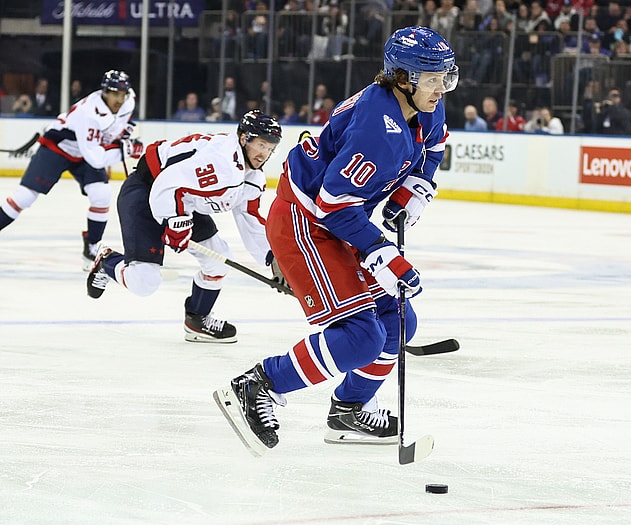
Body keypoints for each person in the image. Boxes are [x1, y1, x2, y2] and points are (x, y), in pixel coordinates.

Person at [218, 26, 458, 450]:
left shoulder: (424, 104)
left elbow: (436, 144)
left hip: (341, 219)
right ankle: (259, 384)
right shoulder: (376, 129)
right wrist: (382, 253)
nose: (441, 88)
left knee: (399, 322)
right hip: (305, 221)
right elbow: (332, 204)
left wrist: (417, 185)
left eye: (445, 77)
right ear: (402, 77)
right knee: (362, 337)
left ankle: (347, 412)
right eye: (433, 78)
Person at [86, 110, 283, 343]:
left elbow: (250, 219)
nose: (264, 154)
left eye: (270, 148)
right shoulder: (221, 161)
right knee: (144, 282)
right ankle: (107, 263)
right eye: (261, 145)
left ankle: (197, 320)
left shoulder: (251, 177)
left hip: (183, 201)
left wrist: (274, 259)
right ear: (244, 138)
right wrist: (176, 222)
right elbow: (168, 184)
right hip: (146, 191)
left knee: (218, 258)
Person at [0, 70, 140, 269]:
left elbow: (118, 129)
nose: (119, 98)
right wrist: (126, 149)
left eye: (122, 94)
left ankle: (91, 248)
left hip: (85, 150)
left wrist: (124, 135)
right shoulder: (88, 113)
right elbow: (97, 158)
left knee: (101, 194)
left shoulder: (129, 101)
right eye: (114, 93)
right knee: (24, 197)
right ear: (104, 92)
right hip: (58, 148)